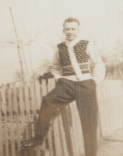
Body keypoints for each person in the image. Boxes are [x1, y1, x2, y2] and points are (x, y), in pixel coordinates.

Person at [22, 18, 105, 156]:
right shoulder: (59, 47)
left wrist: (94, 81)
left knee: (89, 122)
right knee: (47, 101)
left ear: (78, 30)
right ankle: (39, 137)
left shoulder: (87, 44)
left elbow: (99, 63)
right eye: (67, 29)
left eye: (73, 29)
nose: (70, 32)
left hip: (86, 85)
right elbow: (55, 66)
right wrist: (59, 78)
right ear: (63, 30)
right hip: (67, 84)